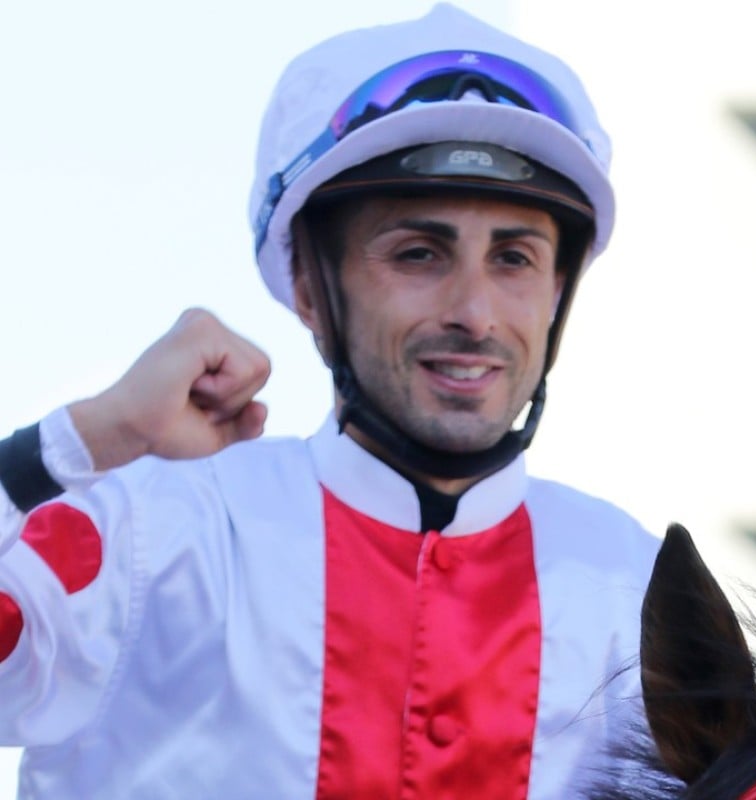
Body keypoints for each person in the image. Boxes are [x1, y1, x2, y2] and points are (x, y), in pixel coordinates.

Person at [0, 4, 661, 798]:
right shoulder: (151, 535)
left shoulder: (634, 586)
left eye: (514, 259)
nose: (475, 313)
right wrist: (86, 436)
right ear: (313, 288)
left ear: (558, 291)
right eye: (419, 253)